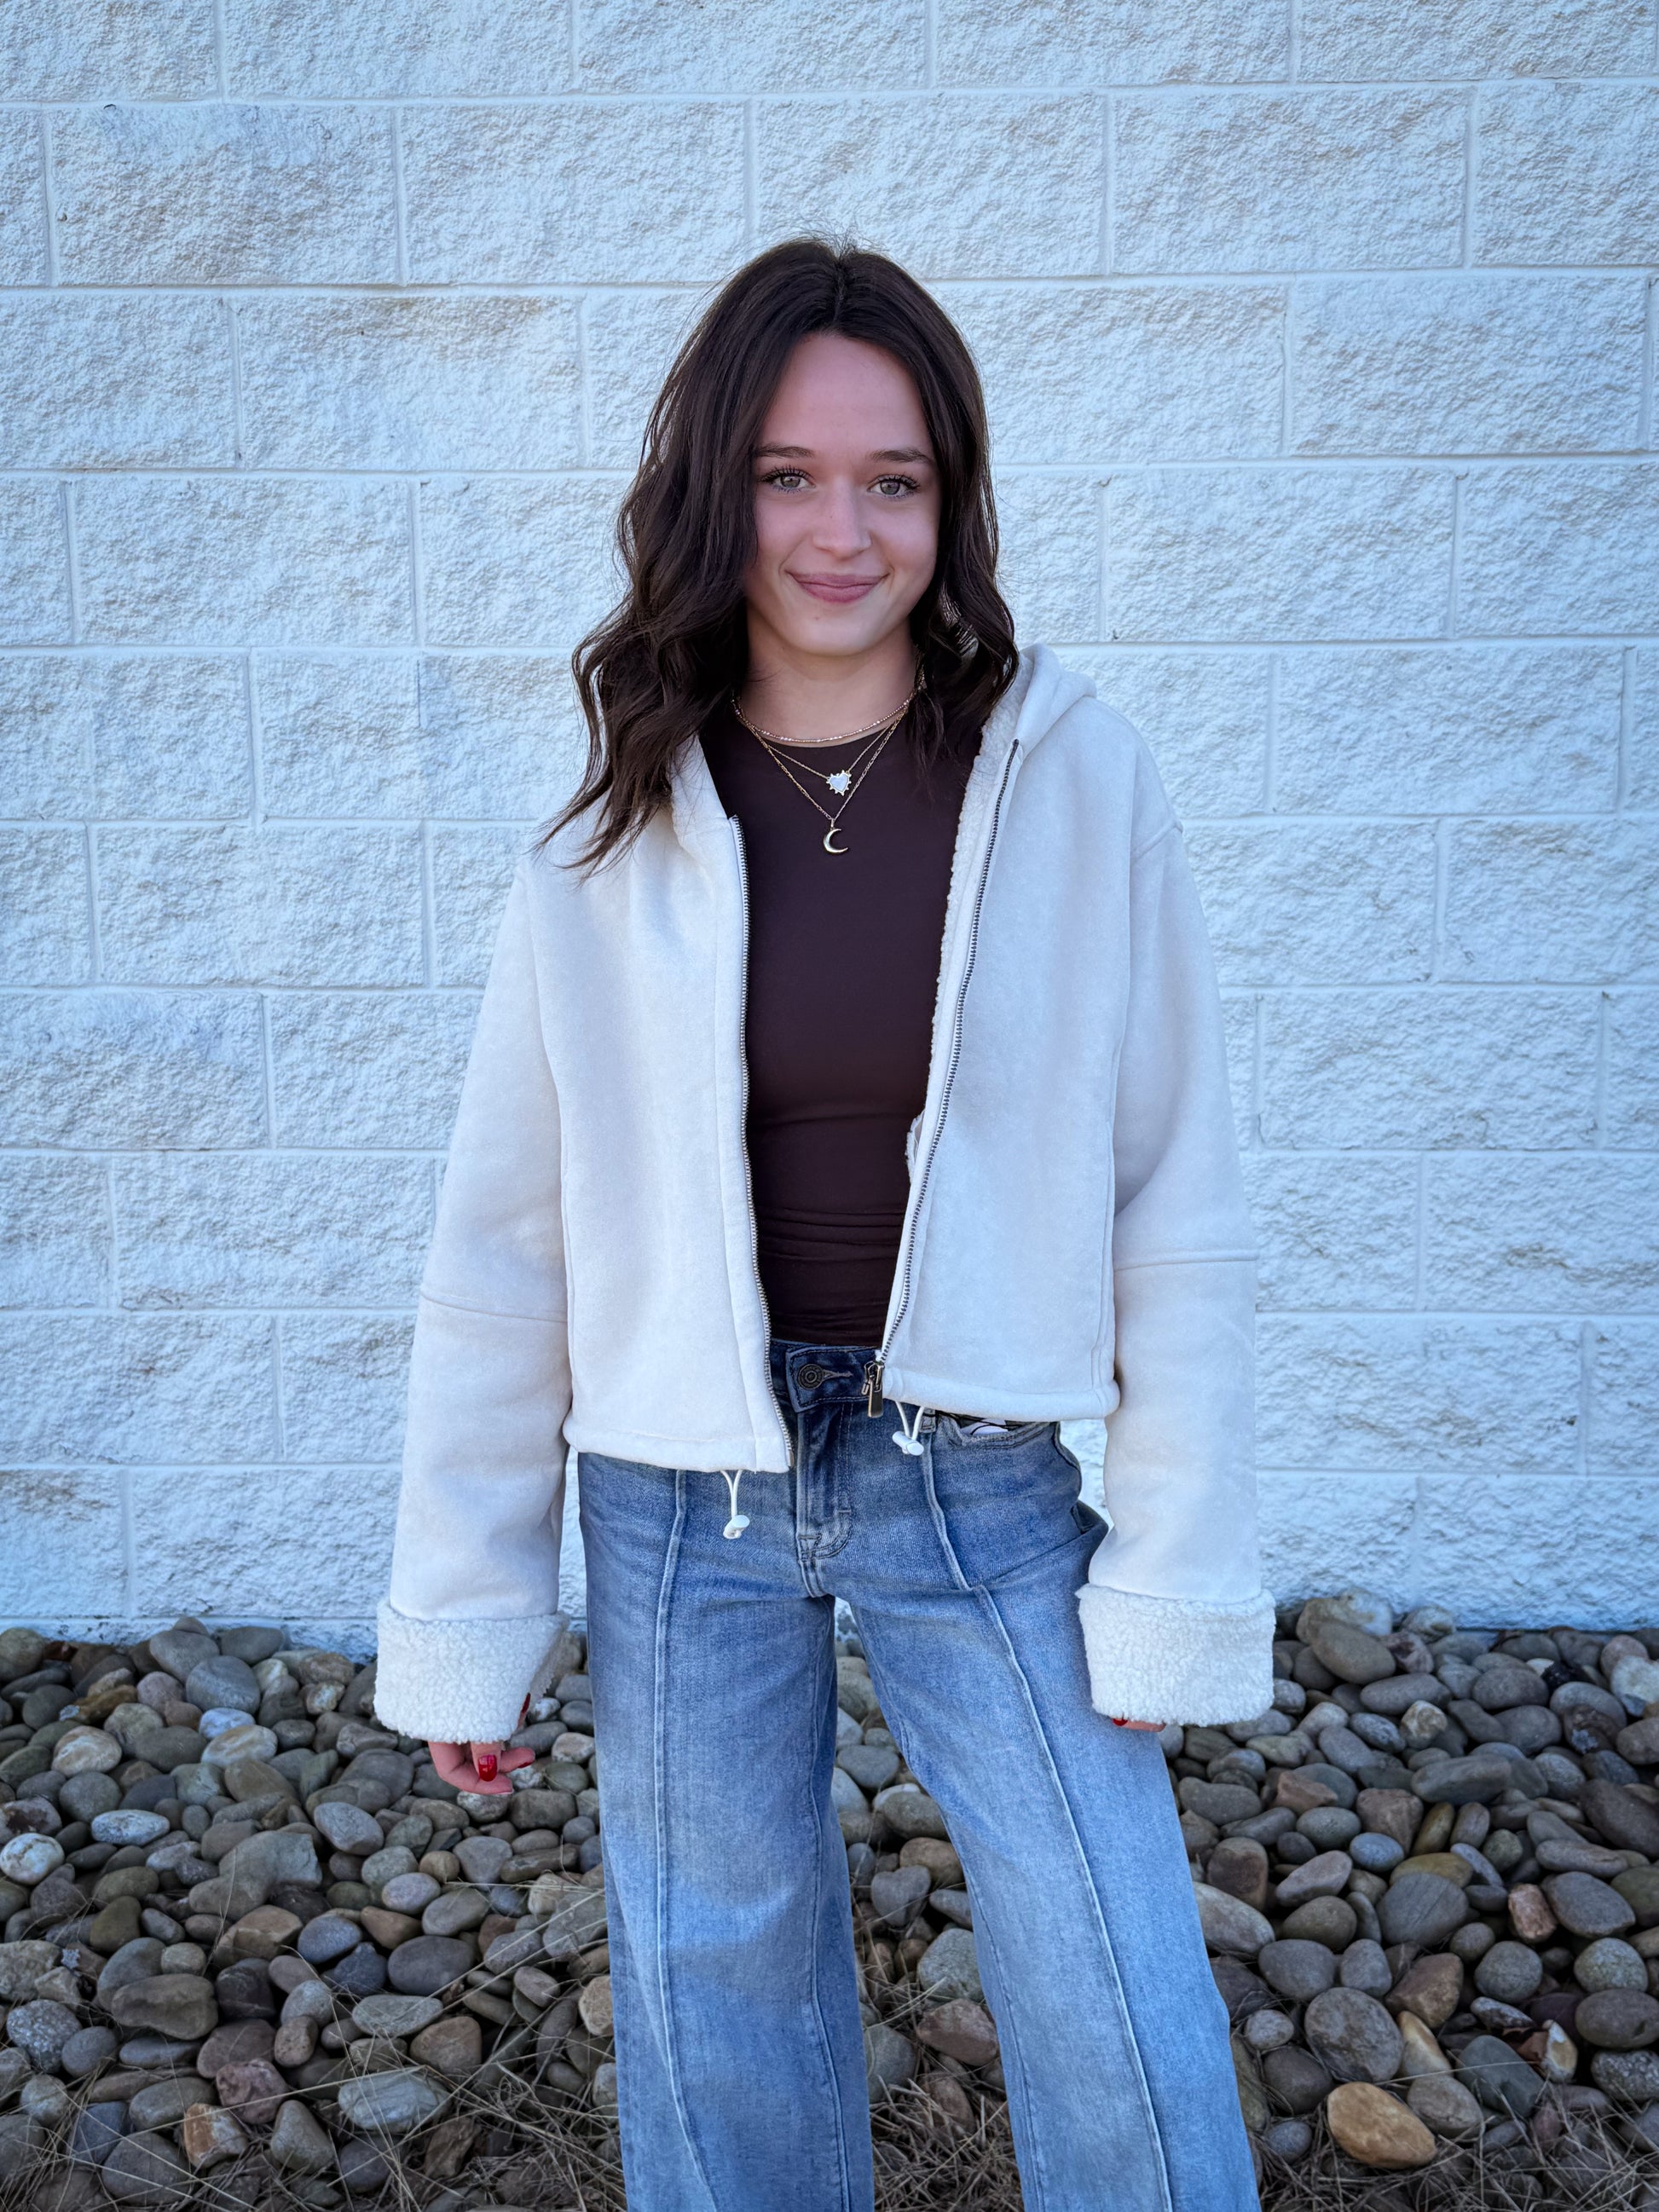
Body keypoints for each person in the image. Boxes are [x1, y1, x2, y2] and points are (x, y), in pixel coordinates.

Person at [374, 237, 1271, 2211]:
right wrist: (472, 1612)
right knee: (715, 1989)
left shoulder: (1071, 774)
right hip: (678, 1491)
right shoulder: (616, 818)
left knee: (1104, 1952)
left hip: (977, 1466)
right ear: (719, 488)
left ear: (950, 500)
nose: (840, 529)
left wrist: (1176, 1555)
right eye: (788, 475)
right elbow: (506, 1241)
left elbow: (1174, 1187)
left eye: (892, 478)